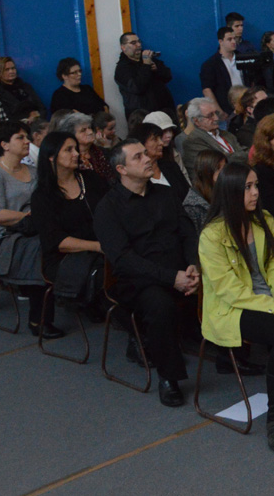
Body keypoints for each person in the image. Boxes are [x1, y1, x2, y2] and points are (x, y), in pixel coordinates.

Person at [198, 161, 274, 451]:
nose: (255, 193)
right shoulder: (211, 235)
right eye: (247, 188)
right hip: (233, 308)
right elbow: (230, 290)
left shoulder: (263, 220)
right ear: (230, 192)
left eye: (256, 186)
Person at [94, 139, 201, 407]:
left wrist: (193, 265)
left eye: (145, 154)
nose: (147, 159)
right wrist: (171, 278)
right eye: (138, 157)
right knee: (160, 305)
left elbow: (187, 232)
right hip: (138, 280)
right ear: (121, 169)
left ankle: (231, 356)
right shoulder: (108, 207)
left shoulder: (165, 194)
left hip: (180, 269)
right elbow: (123, 259)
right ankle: (169, 378)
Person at [0, 121, 56, 337]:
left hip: (31, 230)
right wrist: (33, 216)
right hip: (1, 239)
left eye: (26, 137)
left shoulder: (33, 171)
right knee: (42, 250)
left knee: (57, 241)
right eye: (20, 137)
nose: (27, 141)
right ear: (4, 145)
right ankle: (39, 320)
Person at [30, 131, 108, 317]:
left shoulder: (90, 179)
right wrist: (99, 246)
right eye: (69, 150)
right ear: (51, 157)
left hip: (102, 246)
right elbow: (57, 242)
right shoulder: (42, 196)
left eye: (76, 149)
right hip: (66, 258)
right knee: (117, 275)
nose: (76, 154)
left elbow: (113, 208)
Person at [113, 32, 175, 119]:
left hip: (164, 110)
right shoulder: (122, 69)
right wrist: (146, 66)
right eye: (133, 43)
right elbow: (137, 88)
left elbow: (168, 76)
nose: (138, 45)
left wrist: (157, 69)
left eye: (139, 42)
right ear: (123, 47)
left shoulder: (149, 58)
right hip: (142, 116)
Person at [180, 98, 246, 166]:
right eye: (210, 115)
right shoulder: (193, 142)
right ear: (196, 121)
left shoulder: (227, 134)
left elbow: (244, 151)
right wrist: (244, 156)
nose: (216, 118)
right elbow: (217, 163)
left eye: (216, 113)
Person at [200, 27, 245, 115]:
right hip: (226, 108)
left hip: (245, 104)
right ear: (221, 42)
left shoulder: (243, 58)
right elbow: (207, 90)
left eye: (234, 38)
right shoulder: (211, 64)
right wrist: (219, 111)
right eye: (229, 39)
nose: (233, 41)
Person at [182, 148, 226, 232]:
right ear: (207, 172)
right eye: (218, 169)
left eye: (225, 168)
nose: (224, 173)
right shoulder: (192, 206)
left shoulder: (226, 191)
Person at [0, 56, 46, 121]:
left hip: (37, 123)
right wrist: (27, 119)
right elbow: (5, 117)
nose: (11, 71)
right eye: (7, 69)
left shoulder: (26, 87)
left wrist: (38, 115)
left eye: (13, 68)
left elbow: (42, 108)